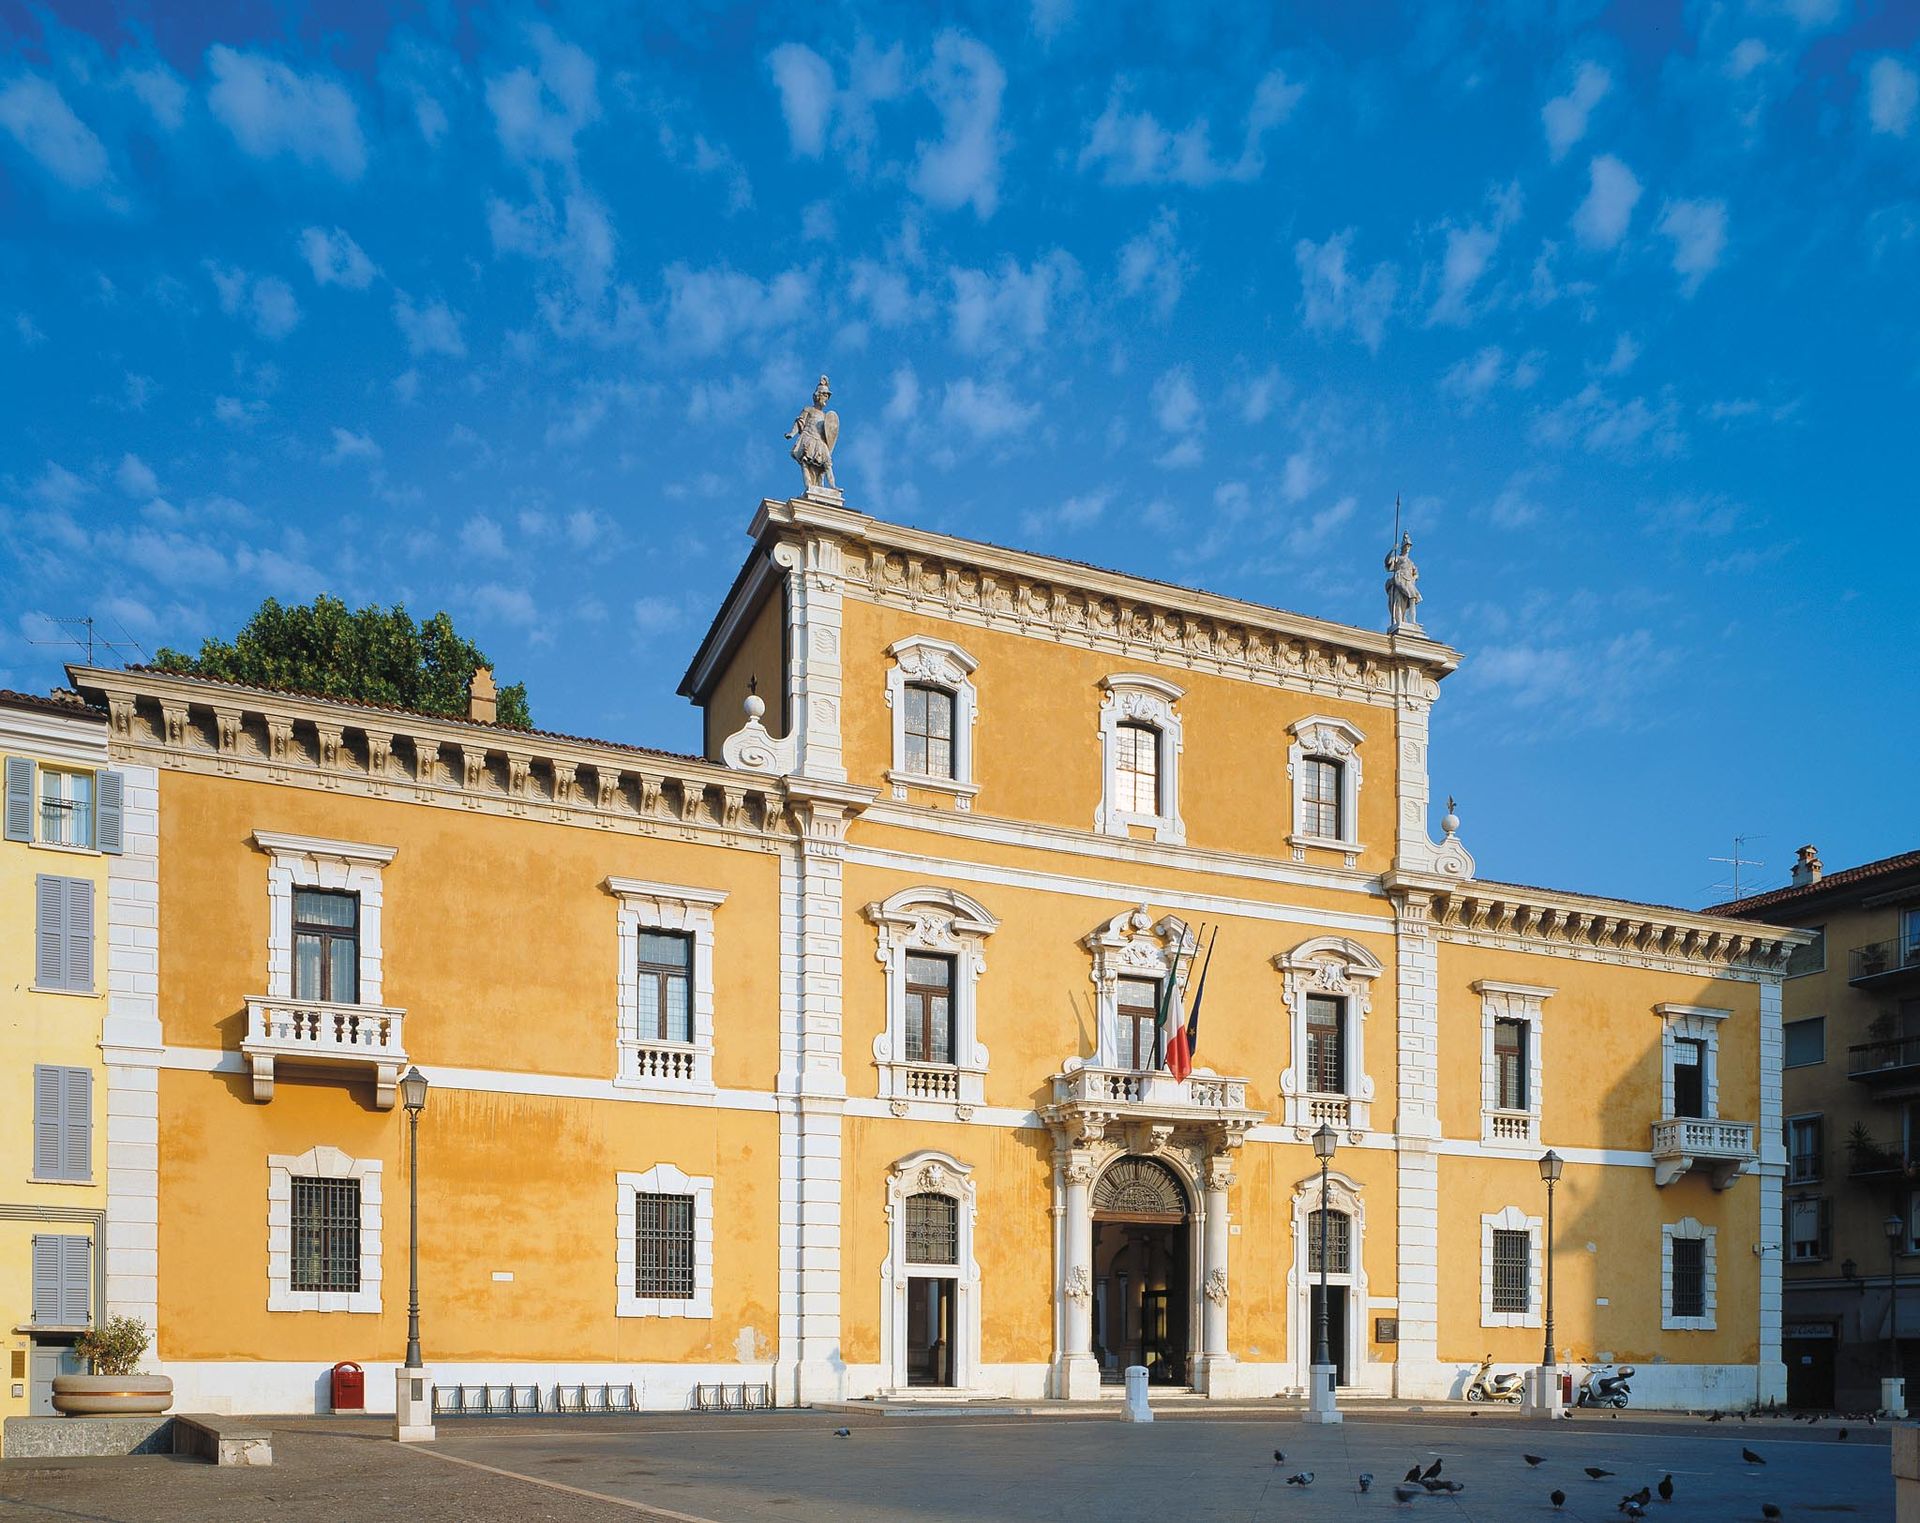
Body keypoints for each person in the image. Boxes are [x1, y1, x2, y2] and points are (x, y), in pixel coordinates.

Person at [786, 376, 839, 493]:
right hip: (808, 438)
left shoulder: (826, 416)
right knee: (806, 464)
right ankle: (809, 486)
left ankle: (833, 487)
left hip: (820, 441)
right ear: (818, 396)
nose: (826, 398)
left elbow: (830, 432)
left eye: (827, 396)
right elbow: (800, 422)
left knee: (826, 465)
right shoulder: (808, 410)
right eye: (824, 395)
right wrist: (792, 433)